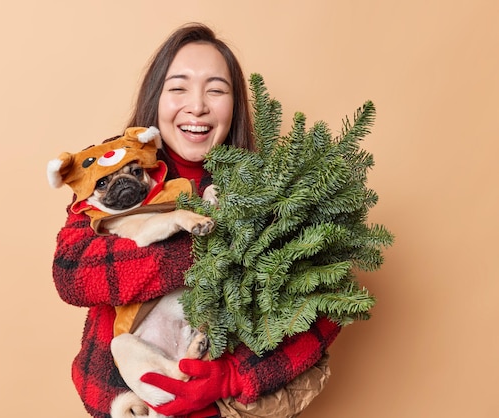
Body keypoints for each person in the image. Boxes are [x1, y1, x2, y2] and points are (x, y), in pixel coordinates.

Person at [52, 23, 340, 418]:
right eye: (179, 87)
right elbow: (72, 271)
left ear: (235, 104)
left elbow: (326, 310)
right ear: (156, 99)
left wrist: (232, 378)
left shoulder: (273, 189)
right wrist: (210, 242)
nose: (198, 105)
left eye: (216, 89)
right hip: (128, 403)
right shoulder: (107, 172)